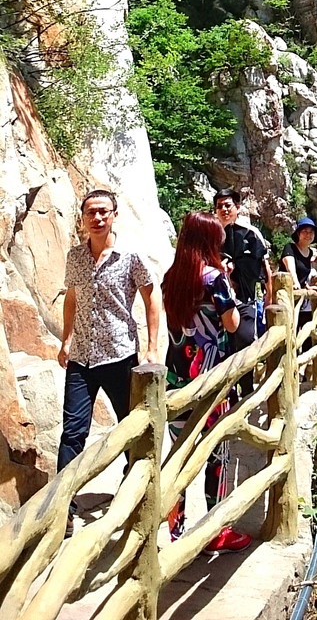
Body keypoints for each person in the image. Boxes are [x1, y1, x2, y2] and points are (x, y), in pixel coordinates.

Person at [57, 189, 161, 536]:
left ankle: (134, 493)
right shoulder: (75, 257)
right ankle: (63, 509)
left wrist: (151, 347)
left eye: (103, 212)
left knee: (130, 428)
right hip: (81, 359)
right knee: (72, 433)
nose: (97, 218)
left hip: (119, 355)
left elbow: (151, 296)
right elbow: (71, 298)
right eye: (91, 213)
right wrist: (65, 339)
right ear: (83, 218)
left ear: (114, 214)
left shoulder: (130, 256)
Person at [162, 210, 251, 553]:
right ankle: (216, 530)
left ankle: (175, 530)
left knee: (180, 454)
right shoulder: (214, 278)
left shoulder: (171, 277)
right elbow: (230, 325)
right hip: (210, 379)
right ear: (208, 241)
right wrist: (225, 284)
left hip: (177, 379)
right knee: (216, 453)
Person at [214, 188, 272, 396]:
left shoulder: (250, 233)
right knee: (224, 348)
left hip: (245, 298)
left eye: (227, 205)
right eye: (219, 206)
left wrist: (268, 300)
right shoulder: (212, 235)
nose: (223, 210)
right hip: (217, 301)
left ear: (237, 208)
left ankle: (246, 391)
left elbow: (266, 270)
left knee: (246, 341)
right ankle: (228, 396)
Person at [281, 217, 317, 337]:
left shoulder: (310, 253)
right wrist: (295, 283)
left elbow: (305, 275)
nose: (308, 235)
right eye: (304, 231)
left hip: (301, 297)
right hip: (287, 294)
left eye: (311, 232)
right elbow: (290, 267)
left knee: (305, 332)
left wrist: (308, 287)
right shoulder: (290, 248)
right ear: (298, 233)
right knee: (289, 333)